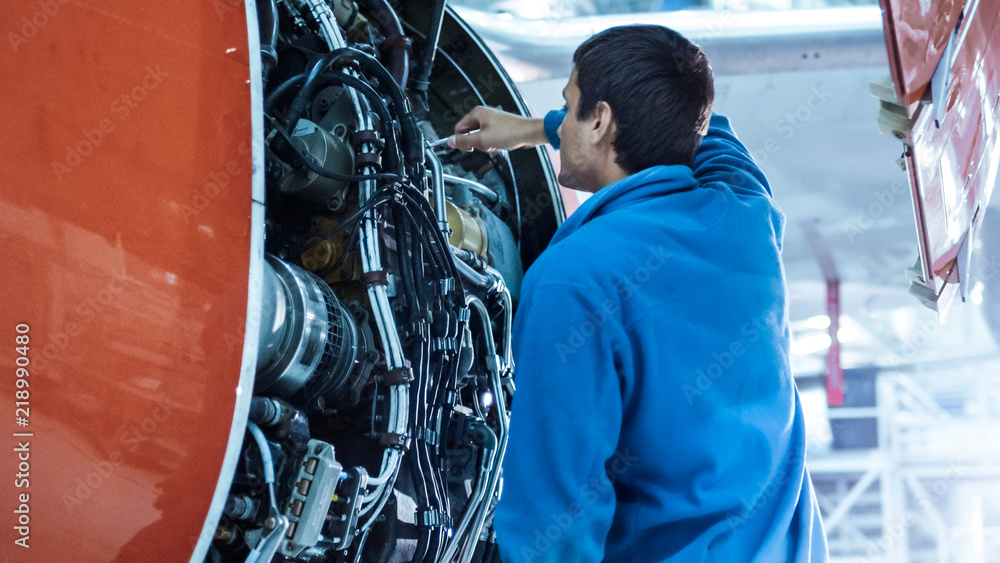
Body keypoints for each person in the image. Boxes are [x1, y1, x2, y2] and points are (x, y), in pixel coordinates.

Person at [449, 25, 828, 562]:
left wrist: (543, 131)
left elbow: (554, 527)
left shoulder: (571, 282)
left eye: (569, 101)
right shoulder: (746, 213)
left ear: (600, 120)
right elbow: (705, 127)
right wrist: (537, 129)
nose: (563, 111)